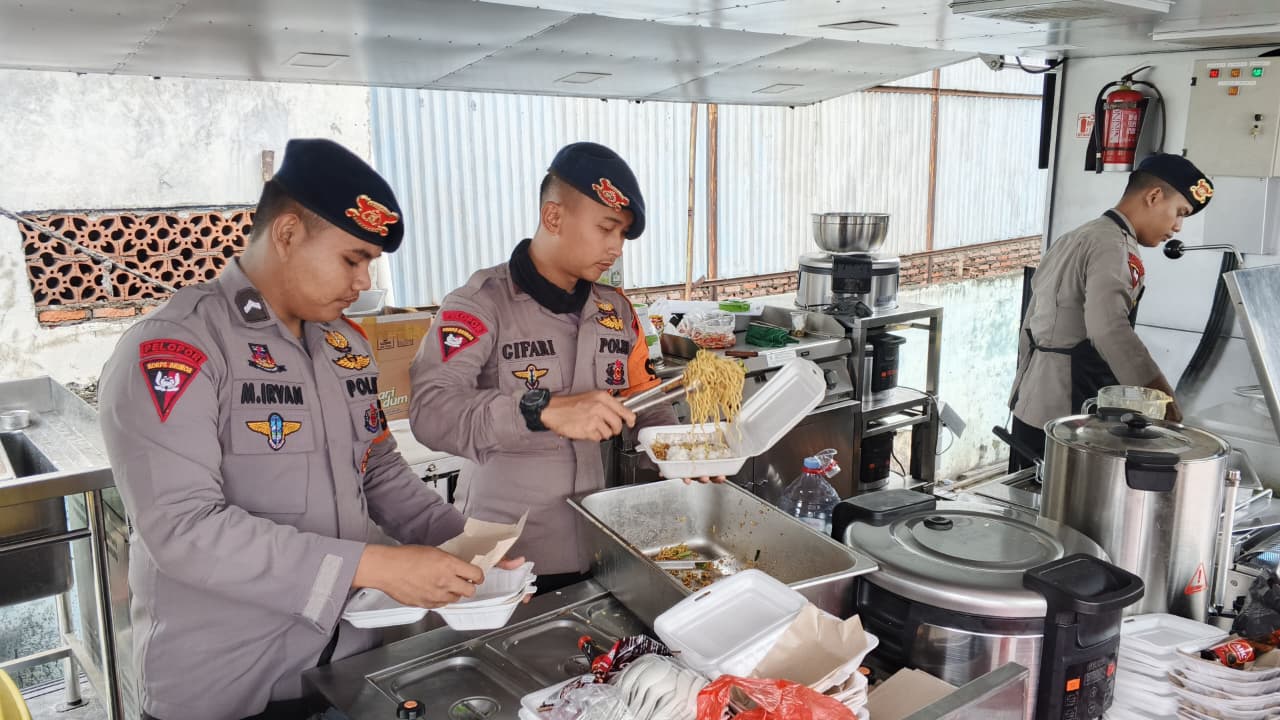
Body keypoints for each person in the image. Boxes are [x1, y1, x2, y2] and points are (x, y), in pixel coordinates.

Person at [98, 139, 515, 720]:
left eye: (370, 263)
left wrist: (467, 546)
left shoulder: (345, 344)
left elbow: (378, 469)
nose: (363, 281)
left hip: (347, 669)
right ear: (288, 233)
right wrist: (373, 566)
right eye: (352, 259)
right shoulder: (179, 348)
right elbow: (183, 528)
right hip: (227, 687)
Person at [411, 141, 698, 593]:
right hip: (504, 560)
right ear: (553, 217)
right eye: (606, 228)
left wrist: (679, 452)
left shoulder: (615, 310)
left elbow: (642, 397)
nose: (616, 248)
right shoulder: (479, 305)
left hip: (596, 546)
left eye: (623, 234)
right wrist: (539, 410)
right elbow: (431, 410)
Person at [1006, 153, 1214, 471]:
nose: (1177, 227)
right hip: (1069, 413)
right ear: (1154, 196)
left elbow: (1029, 323)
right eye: (1179, 212)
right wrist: (1160, 393)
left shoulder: (1076, 236)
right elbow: (1109, 329)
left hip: (1031, 405)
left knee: (1030, 494)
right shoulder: (1114, 247)